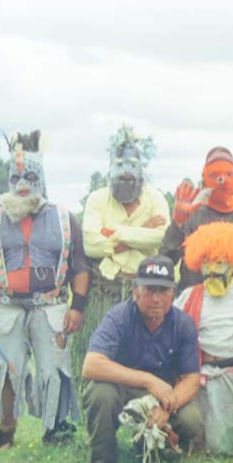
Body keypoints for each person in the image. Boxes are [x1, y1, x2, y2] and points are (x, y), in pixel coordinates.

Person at [0, 129, 89, 449]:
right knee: (7, 367)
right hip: (6, 307)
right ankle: (6, 428)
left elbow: (79, 267)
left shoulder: (66, 219)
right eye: (16, 176)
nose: (22, 184)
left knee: (54, 367)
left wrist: (77, 307)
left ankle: (56, 428)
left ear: (42, 178)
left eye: (30, 176)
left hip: (53, 308)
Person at [80, 255, 204, 463]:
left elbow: (191, 379)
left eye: (164, 291)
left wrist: (167, 407)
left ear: (173, 293)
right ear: (135, 291)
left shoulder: (183, 324)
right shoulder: (119, 317)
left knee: (191, 420)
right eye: (149, 290)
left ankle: (153, 448)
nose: (157, 298)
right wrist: (148, 379)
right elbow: (91, 365)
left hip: (162, 396)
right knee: (99, 394)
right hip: (123, 389)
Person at [71, 130, 169, 378]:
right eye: (120, 166)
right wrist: (142, 232)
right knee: (102, 356)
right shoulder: (97, 199)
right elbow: (91, 244)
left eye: (132, 166)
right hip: (106, 291)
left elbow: (162, 236)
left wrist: (115, 233)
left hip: (146, 292)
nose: (126, 171)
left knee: (144, 359)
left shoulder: (155, 198)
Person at [173, 222, 233, 456]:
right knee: (202, 444)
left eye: (220, 261)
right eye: (207, 261)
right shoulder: (190, 296)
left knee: (226, 447)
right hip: (199, 379)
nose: (213, 270)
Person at [160, 146, 233, 293]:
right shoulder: (192, 213)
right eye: (214, 175)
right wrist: (178, 224)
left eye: (228, 174)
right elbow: (166, 260)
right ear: (204, 179)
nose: (221, 180)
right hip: (196, 300)